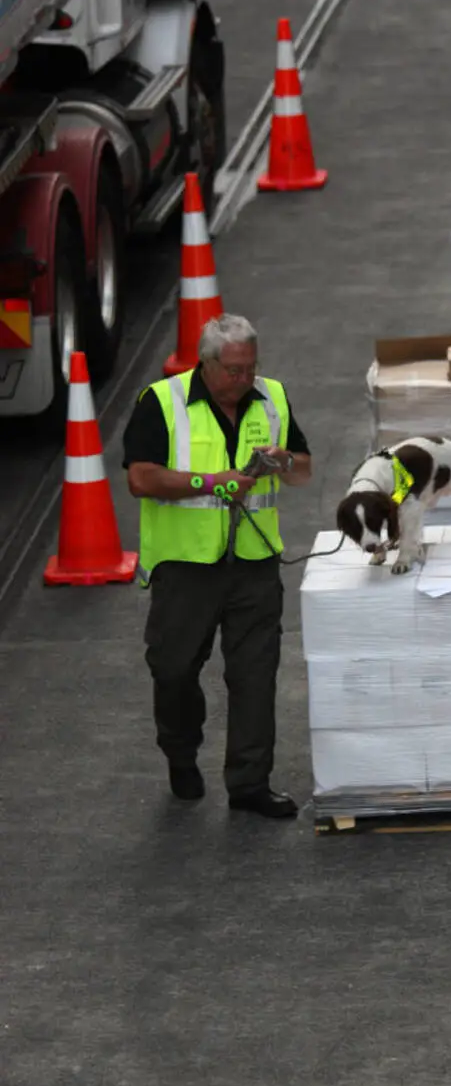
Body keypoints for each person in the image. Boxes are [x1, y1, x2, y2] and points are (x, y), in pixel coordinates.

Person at [122, 313, 312, 815]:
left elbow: (304, 468)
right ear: (206, 365)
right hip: (186, 567)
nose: (244, 379)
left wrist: (282, 462)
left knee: (255, 675)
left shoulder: (272, 397)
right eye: (233, 370)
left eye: (250, 368)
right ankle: (180, 752)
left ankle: (249, 784)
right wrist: (213, 482)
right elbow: (140, 479)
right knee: (174, 669)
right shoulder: (161, 403)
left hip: (253, 563)